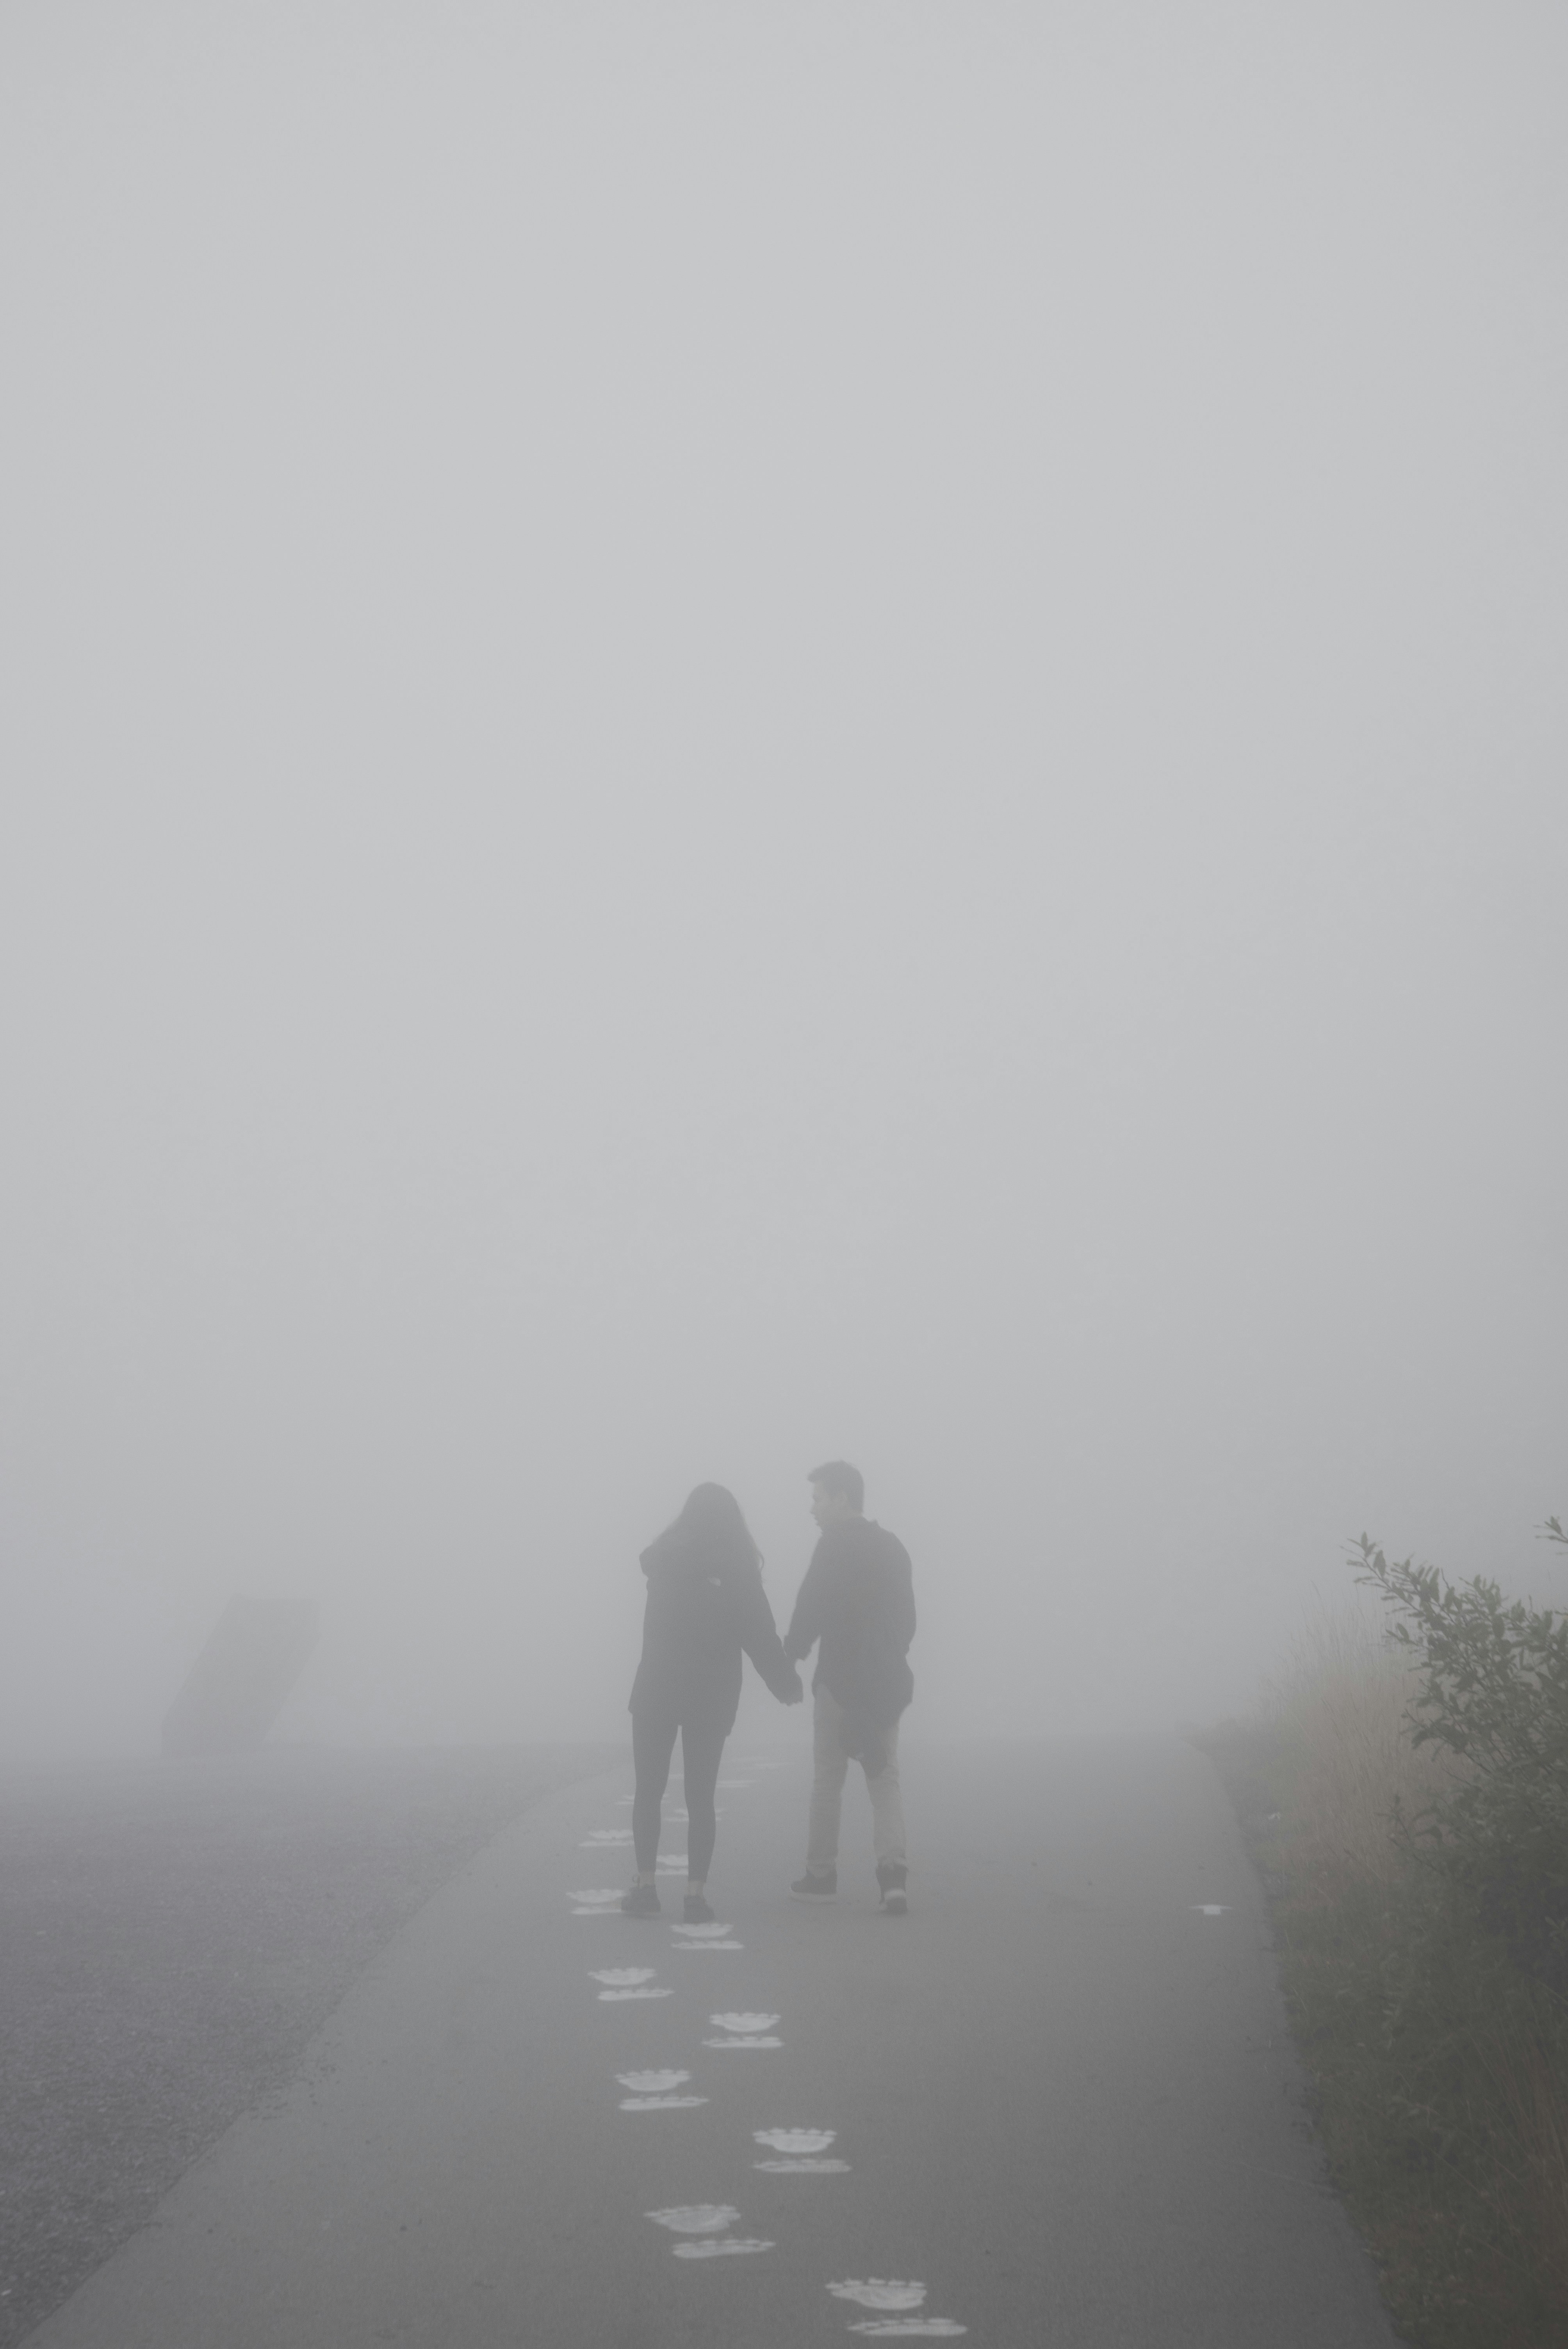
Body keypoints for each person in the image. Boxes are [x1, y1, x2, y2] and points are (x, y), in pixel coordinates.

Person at [622, 1482, 802, 1921]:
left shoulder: (663, 1564)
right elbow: (759, 1635)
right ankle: (694, 1896)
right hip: (711, 1693)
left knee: (649, 1789)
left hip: (656, 1688)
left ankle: (645, 1888)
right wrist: (785, 1684)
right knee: (700, 1795)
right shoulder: (738, 1571)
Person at [782, 1460, 915, 1914]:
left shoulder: (832, 1547)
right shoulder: (893, 1548)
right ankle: (893, 1878)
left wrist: (789, 1657)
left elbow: (810, 1609)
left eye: (818, 1498)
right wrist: (889, 1664)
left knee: (828, 1780)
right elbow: (906, 1621)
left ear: (841, 1499)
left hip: (837, 1683)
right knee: (884, 1776)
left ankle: (820, 1876)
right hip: (882, 1686)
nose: (812, 1509)